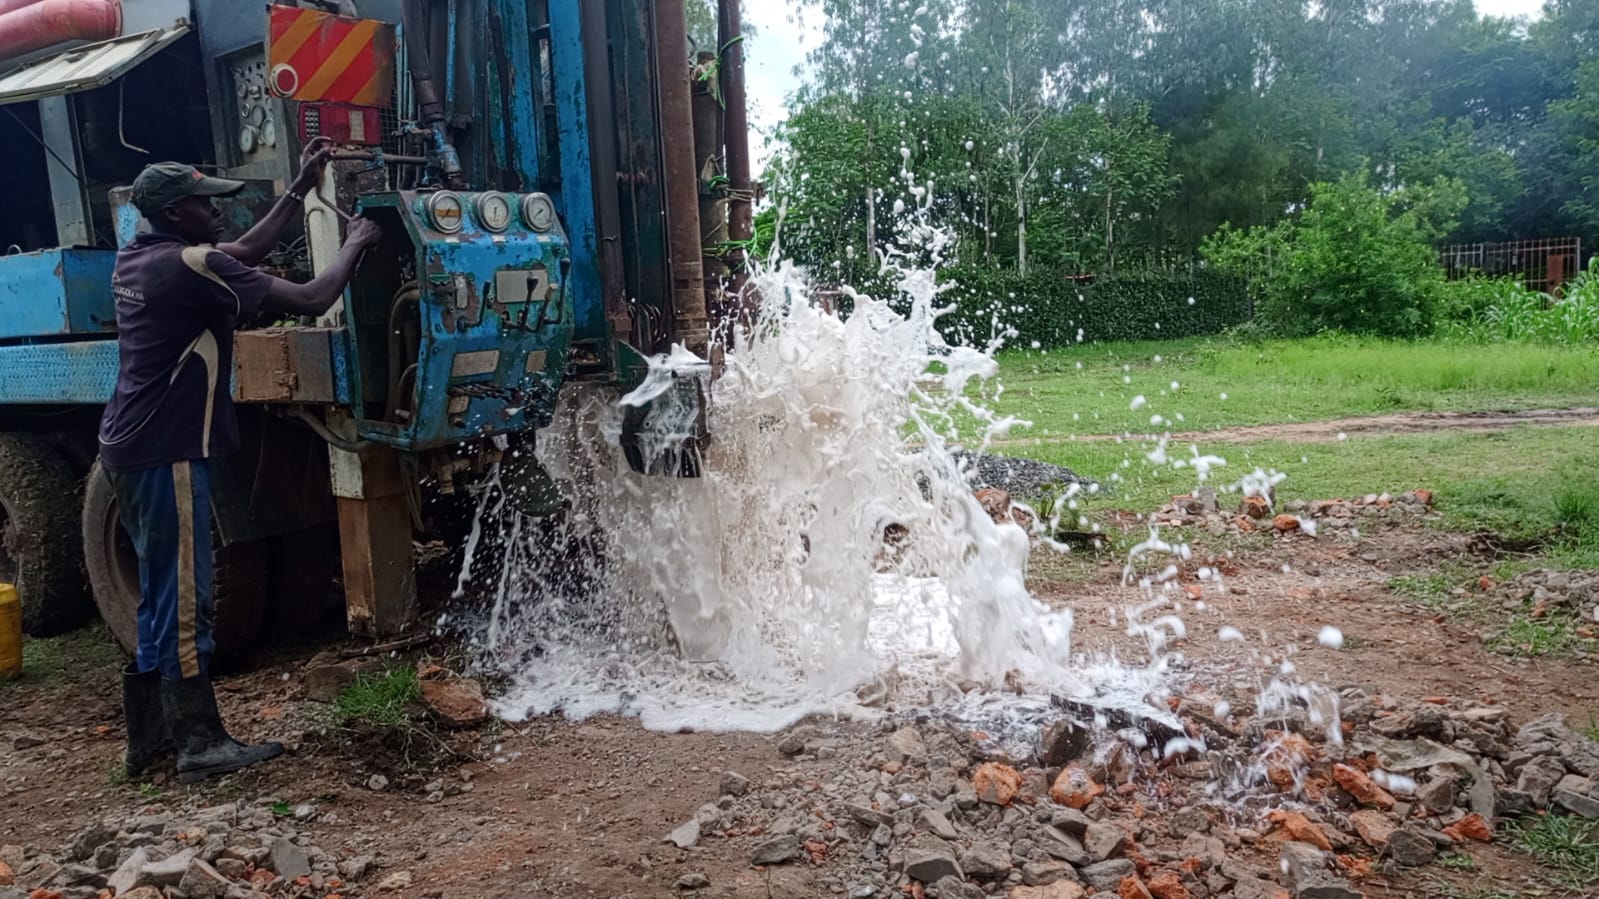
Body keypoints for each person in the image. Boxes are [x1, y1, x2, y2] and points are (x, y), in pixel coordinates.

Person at [101, 149, 381, 783]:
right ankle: (199, 743)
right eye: (207, 204)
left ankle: (150, 743)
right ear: (177, 212)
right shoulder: (190, 265)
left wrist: (299, 189)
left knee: (159, 596)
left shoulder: (141, 256)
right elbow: (312, 298)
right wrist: (357, 242)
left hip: (128, 446)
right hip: (166, 451)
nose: (218, 212)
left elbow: (244, 251)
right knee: (187, 598)